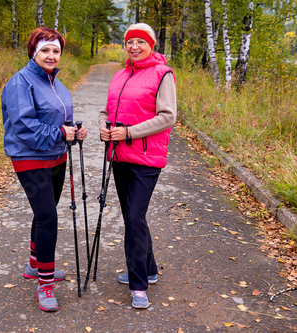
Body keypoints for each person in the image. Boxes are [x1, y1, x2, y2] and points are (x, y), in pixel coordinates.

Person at [1, 26, 87, 312]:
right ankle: (45, 284)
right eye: (45, 50)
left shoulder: (56, 84)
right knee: (48, 217)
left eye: (56, 51)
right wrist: (61, 134)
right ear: (33, 52)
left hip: (56, 157)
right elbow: (25, 127)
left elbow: (61, 121)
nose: (51, 56)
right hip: (30, 157)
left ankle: (35, 266)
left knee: (43, 214)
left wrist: (75, 130)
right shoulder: (20, 83)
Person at [99, 23, 177, 309]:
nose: (134, 47)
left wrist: (129, 132)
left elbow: (167, 116)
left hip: (145, 159)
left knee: (133, 217)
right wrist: (103, 130)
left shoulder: (162, 74)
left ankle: (138, 284)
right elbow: (106, 111)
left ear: (151, 45)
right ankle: (150, 269)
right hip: (119, 156)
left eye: (140, 42)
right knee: (135, 217)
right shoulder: (119, 75)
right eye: (130, 42)